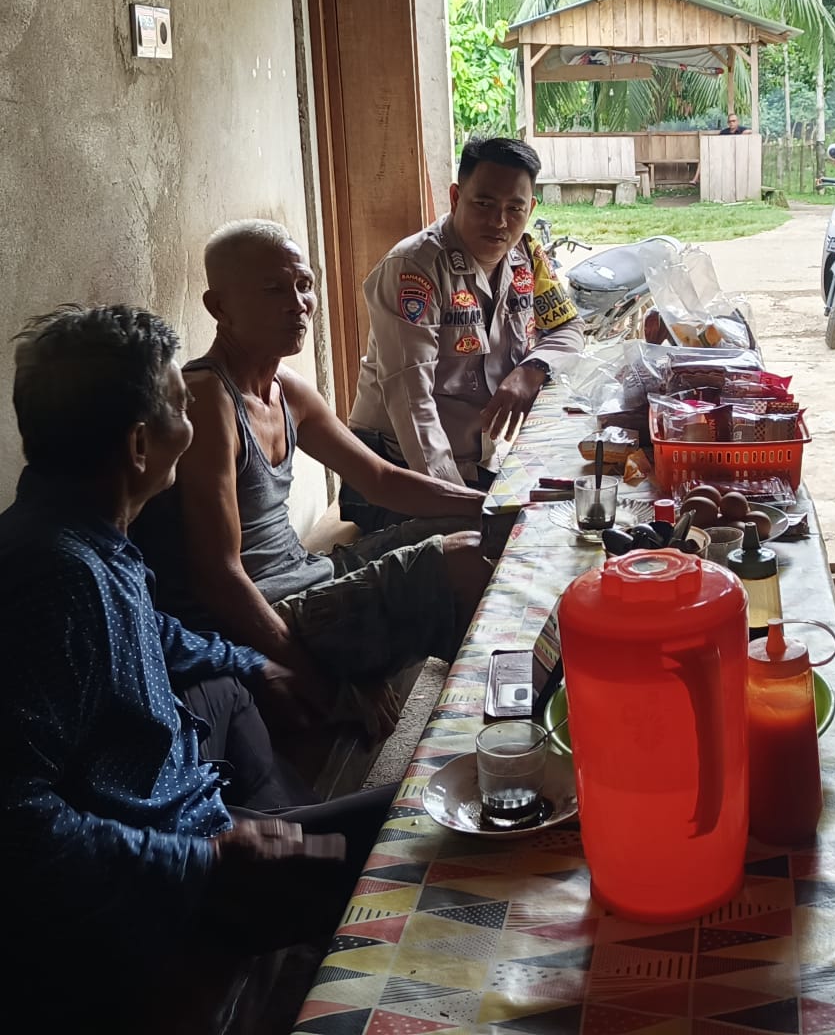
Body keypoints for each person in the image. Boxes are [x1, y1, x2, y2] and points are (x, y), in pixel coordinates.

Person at [0, 307, 395, 1028]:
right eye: (181, 407)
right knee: (413, 838)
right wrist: (204, 859)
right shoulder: (56, 580)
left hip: (183, 817)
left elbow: (156, 632)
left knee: (233, 693)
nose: (194, 419)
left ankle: (287, 839)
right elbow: (16, 821)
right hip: (154, 889)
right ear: (141, 445)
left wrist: (253, 662)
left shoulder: (85, 536)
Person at [134, 220, 490, 726]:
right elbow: (221, 579)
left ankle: (487, 704)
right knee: (467, 559)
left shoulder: (287, 388)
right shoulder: (208, 400)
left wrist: (491, 504)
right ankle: (486, 728)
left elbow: (381, 480)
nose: (298, 303)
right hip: (271, 614)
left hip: (314, 576)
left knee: (483, 530)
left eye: (304, 285)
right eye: (273, 289)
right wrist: (320, 687)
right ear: (219, 308)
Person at [344, 135, 584, 531]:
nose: (499, 222)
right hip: (399, 472)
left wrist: (531, 370)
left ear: (532, 209)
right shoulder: (414, 268)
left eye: (514, 208)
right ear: (456, 197)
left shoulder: (527, 256)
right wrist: (460, 509)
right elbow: (412, 404)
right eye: (484, 204)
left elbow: (569, 328)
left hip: (483, 462)